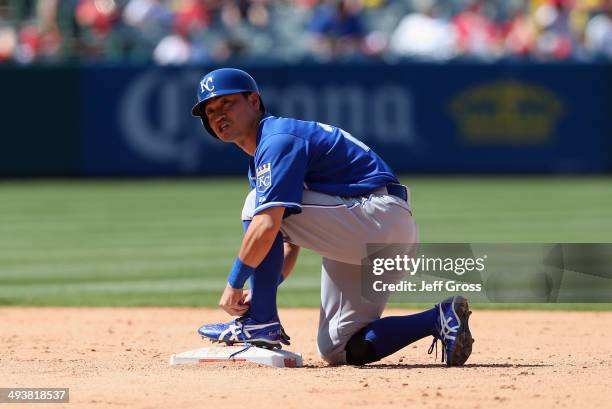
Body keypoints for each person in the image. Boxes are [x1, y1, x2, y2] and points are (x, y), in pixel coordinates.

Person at [192, 68, 474, 366]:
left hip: (375, 216)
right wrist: (264, 288)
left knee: (257, 208)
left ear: (253, 101)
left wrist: (234, 285)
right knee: (337, 347)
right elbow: (288, 242)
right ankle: (439, 318)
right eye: (210, 110)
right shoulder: (268, 149)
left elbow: (267, 224)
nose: (218, 114)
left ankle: (261, 321)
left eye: (227, 103)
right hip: (375, 232)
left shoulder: (278, 139)